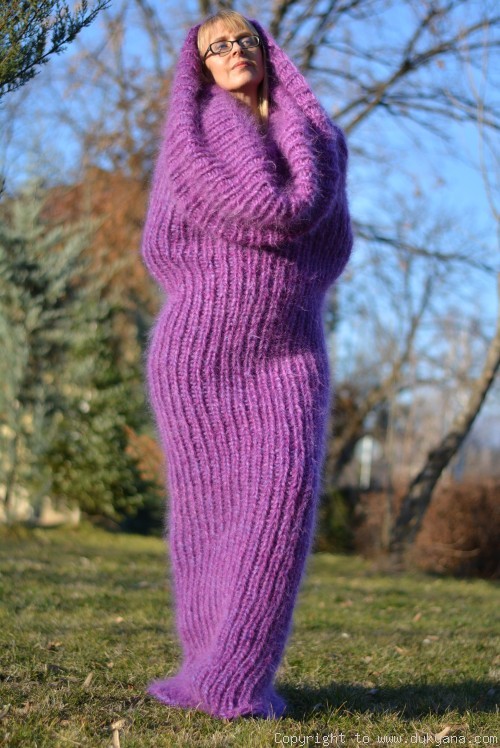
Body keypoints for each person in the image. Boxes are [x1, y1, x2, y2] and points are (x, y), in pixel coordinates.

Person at [140, 9, 353, 721]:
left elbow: (333, 244)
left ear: (267, 52)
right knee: (205, 521)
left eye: (245, 40)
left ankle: (235, 676)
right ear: (199, 66)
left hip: (290, 350)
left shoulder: (321, 144)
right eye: (217, 46)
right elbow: (160, 245)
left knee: (279, 508)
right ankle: (209, 670)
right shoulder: (190, 144)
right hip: (199, 354)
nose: (234, 51)